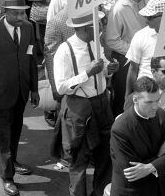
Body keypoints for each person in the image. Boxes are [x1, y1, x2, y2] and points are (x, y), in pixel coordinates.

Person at [0, 0, 38, 196]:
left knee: (15, 130)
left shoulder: (28, 28)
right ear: (5, 12)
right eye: (17, 14)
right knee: (2, 136)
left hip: (20, 94)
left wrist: (35, 89)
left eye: (23, 13)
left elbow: (31, 59)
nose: (22, 18)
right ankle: (7, 177)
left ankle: (12, 161)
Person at [54, 12, 116, 196]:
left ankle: (100, 192)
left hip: (102, 105)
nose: (101, 28)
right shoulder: (64, 50)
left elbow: (103, 68)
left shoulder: (96, 44)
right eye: (96, 25)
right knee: (79, 158)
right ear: (83, 28)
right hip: (79, 109)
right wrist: (86, 73)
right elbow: (61, 87)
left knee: (106, 154)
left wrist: (108, 69)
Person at [109, 77, 165, 196]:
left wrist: (149, 167)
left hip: (157, 188)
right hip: (132, 192)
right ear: (135, 99)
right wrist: (158, 157)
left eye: (157, 100)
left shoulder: (160, 115)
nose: (155, 106)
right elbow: (131, 173)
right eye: (149, 102)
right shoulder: (120, 129)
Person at [105, 0, 150, 115]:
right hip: (126, 62)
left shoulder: (148, 1)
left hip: (146, 59)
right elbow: (111, 40)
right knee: (124, 100)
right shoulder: (118, 9)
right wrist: (135, 51)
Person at [125, 0, 164, 95]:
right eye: (146, 16)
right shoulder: (140, 36)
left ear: (164, 16)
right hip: (144, 93)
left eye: (150, 17)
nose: (146, 20)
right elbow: (133, 68)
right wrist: (128, 95)